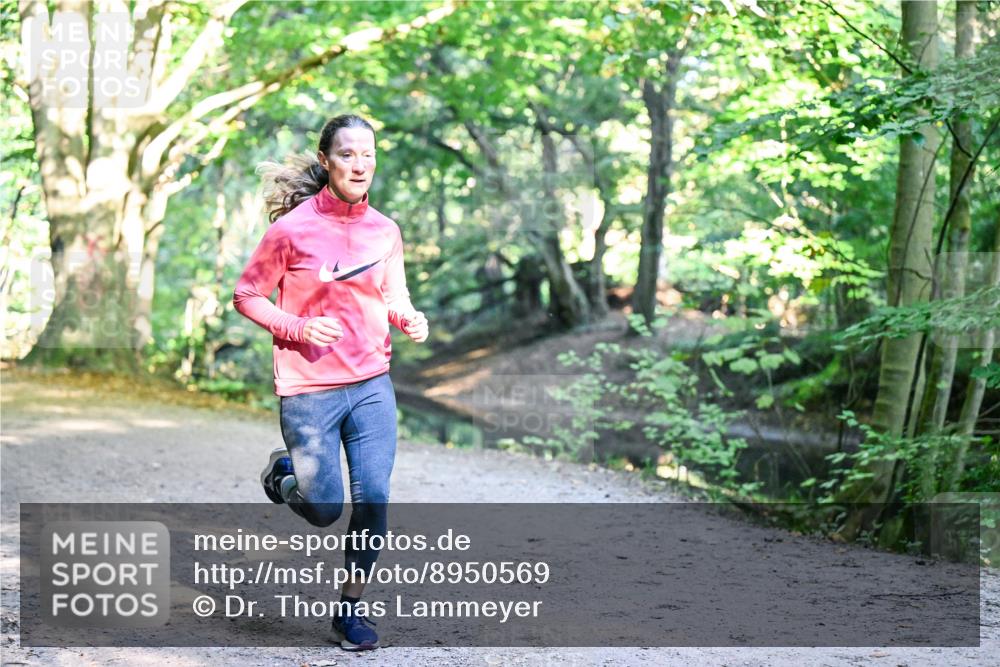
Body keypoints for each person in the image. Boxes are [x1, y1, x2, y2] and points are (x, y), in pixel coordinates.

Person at [232, 114, 428, 651]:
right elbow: (246, 295)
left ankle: (350, 611)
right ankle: (285, 476)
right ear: (326, 161)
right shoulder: (291, 230)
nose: (359, 163)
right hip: (310, 388)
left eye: (367, 154)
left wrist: (407, 317)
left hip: (371, 384)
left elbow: (393, 295)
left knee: (374, 502)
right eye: (347, 154)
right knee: (322, 510)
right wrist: (295, 326)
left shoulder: (385, 231)